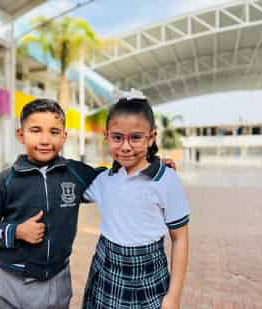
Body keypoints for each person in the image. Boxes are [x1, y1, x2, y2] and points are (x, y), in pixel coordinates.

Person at [0, 98, 176, 309]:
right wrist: (17, 232)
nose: (44, 139)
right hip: (11, 280)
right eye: (35, 130)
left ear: (64, 136)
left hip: (56, 281)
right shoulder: (5, 180)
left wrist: (151, 165)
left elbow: (111, 177)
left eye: (53, 131)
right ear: (21, 135)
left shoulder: (74, 172)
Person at [82, 98, 190, 309]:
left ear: (151, 138)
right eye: (117, 138)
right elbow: (66, 187)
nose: (125, 146)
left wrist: (174, 296)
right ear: (107, 137)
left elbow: (180, 239)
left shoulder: (166, 180)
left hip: (149, 276)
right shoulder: (103, 179)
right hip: (106, 271)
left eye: (136, 138)